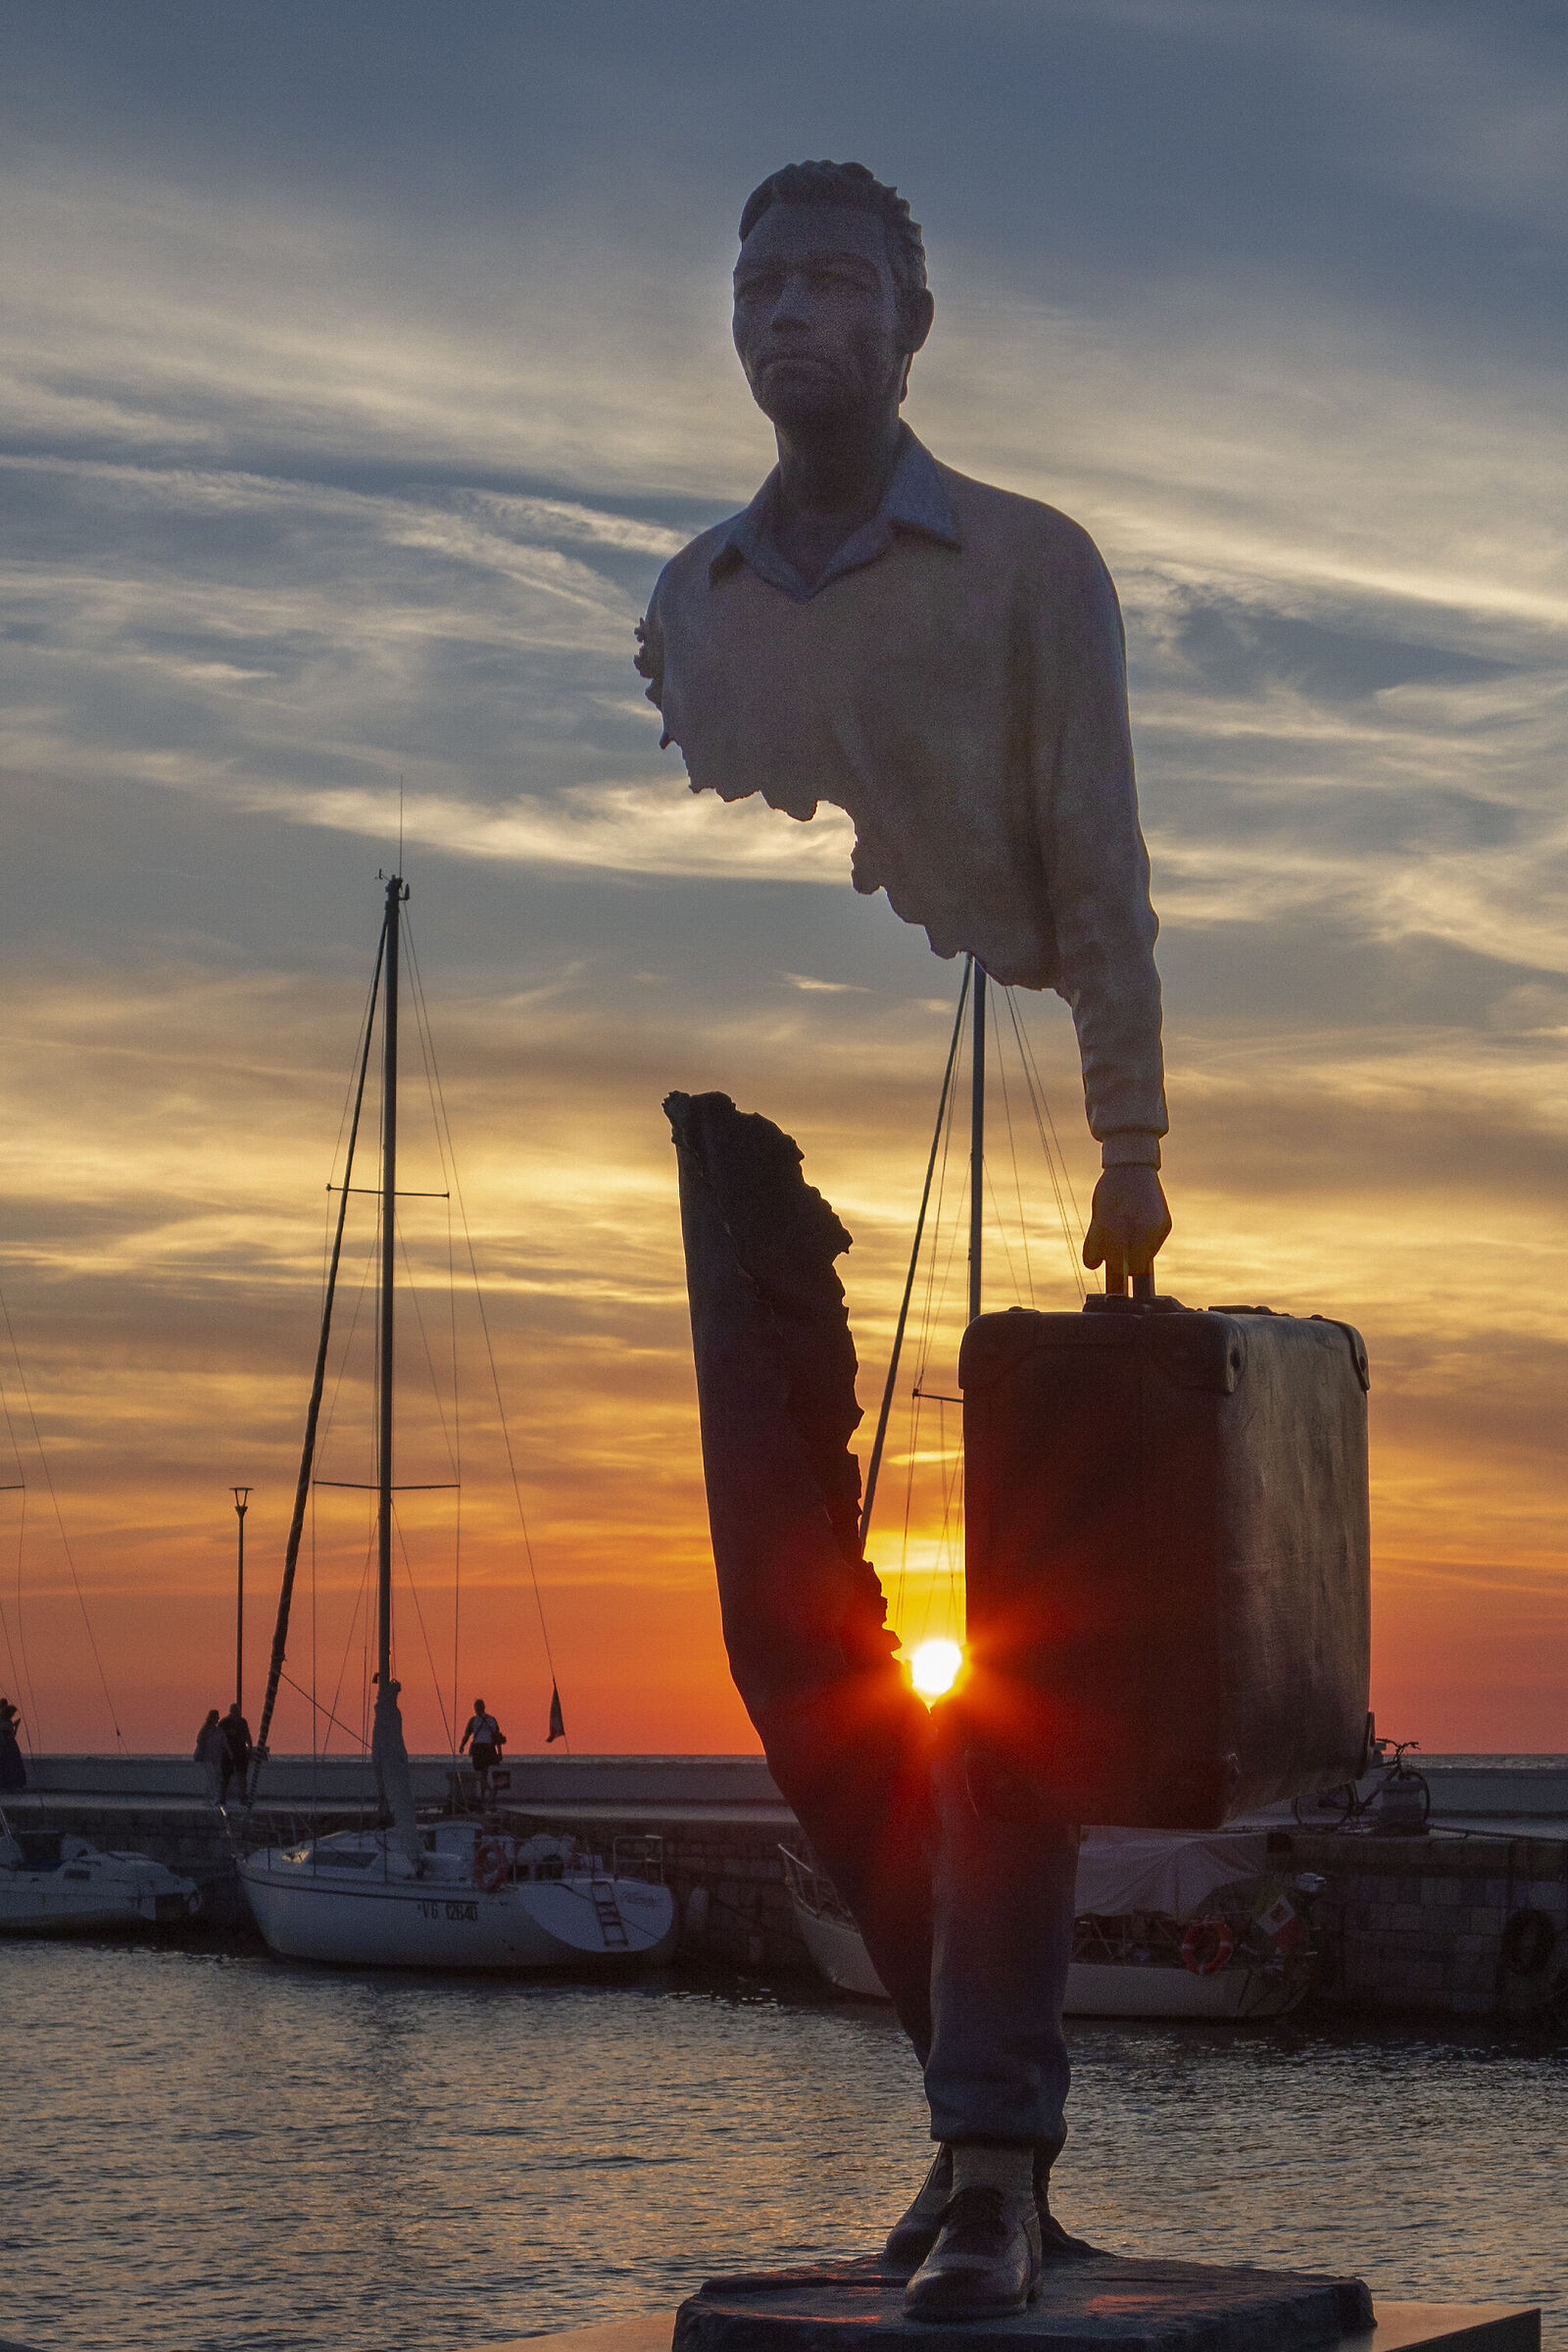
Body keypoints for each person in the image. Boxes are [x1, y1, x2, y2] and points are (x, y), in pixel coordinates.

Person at [644, 162, 1170, 2320]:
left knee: (1014, 1682)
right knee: (791, 1655)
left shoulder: (1032, 567)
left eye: (833, 281)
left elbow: (1097, 854)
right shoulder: (688, 599)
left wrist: (1128, 1135)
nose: (791, 314)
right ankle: (966, 2118)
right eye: (758, 282)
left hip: (1022, 1122)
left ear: (908, 323)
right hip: (754, 1154)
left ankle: (989, 2150)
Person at [459, 1698, 505, 1804]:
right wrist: (500, 1753)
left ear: (476, 1708)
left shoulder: (474, 1720)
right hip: (488, 1748)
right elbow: (497, 1737)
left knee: (480, 1774)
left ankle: (488, 1791)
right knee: (483, 1773)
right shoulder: (491, 1719)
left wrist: (462, 1746)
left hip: (480, 1749)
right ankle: (485, 1795)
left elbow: (467, 1735)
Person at [219, 1700, 252, 1806]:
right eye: (235, 1712)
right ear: (231, 1712)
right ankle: (222, 1797)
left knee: (242, 1775)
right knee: (226, 1776)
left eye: (238, 1712)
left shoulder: (243, 1722)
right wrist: (228, 1733)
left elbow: (247, 1734)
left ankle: (243, 1797)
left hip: (241, 1751)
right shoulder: (224, 1722)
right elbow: (219, 1736)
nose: (237, 1714)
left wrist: (250, 1746)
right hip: (228, 1752)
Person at [193, 1707, 224, 1802]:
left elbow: (224, 1743)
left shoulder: (219, 1730)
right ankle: (215, 1796)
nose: (216, 1719)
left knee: (216, 1776)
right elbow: (199, 1740)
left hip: (217, 1757)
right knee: (212, 1776)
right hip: (206, 1757)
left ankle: (208, 1796)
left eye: (217, 1718)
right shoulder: (205, 1730)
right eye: (214, 1718)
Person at [0, 1696, 24, 1793]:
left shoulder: (4, 1721)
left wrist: (15, 1726)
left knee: (8, 1766)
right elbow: (11, 1734)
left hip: (7, 1746)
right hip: (7, 1746)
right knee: (10, 1766)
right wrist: (15, 1726)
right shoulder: (5, 1722)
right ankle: (8, 1786)